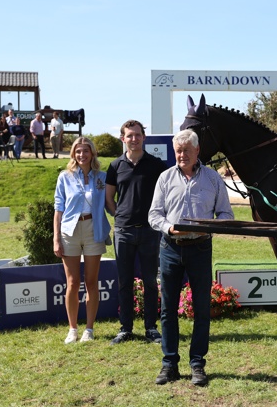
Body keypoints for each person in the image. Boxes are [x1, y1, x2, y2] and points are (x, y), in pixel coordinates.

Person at [148, 129, 233, 386]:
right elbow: (154, 215)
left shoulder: (212, 179)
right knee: (167, 309)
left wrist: (210, 227)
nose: (181, 155)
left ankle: (197, 364)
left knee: (202, 309)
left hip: (200, 248)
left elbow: (226, 215)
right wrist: (169, 228)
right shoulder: (164, 178)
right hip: (170, 248)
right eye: (178, 151)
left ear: (197, 151)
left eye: (186, 150)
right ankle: (169, 363)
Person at [106, 120, 167, 346]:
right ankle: (126, 328)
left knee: (150, 281)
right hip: (123, 232)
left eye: (138, 135)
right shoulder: (114, 166)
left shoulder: (156, 165)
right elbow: (109, 199)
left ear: (144, 137)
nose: (134, 139)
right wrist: (120, 216)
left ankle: (151, 328)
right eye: (130, 135)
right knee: (124, 282)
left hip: (150, 232)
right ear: (123, 139)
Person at [53, 137, 111, 344]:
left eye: (85, 151)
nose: (82, 155)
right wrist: (56, 238)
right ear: (73, 154)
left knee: (91, 282)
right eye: (78, 152)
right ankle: (72, 329)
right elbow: (58, 209)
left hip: (93, 229)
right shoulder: (64, 177)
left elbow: (110, 204)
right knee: (72, 282)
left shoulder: (102, 177)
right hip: (70, 230)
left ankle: (89, 329)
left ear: (92, 153)